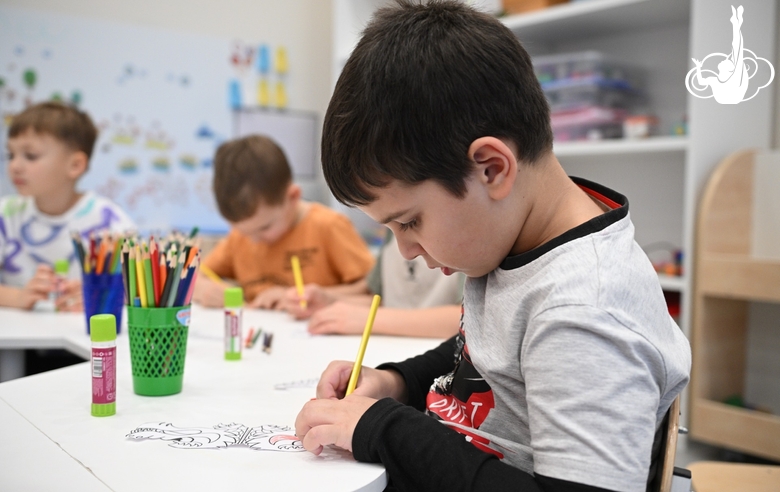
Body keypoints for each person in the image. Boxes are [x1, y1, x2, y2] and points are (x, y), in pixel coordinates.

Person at [294, 2, 691, 491]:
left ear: (491, 169)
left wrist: (386, 430)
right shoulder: (517, 239)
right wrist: (398, 382)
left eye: (410, 221)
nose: (406, 251)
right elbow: (482, 356)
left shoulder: (584, 311)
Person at [194, 134, 375, 309]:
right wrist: (203, 289)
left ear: (293, 197)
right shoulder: (241, 237)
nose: (254, 240)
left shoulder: (329, 226)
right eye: (243, 231)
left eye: (265, 227)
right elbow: (193, 276)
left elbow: (372, 291)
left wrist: (311, 295)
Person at [1, 101, 135, 311]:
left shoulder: (110, 221)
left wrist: (101, 296)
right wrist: (18, 297)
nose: (14, 166)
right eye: (11, 155)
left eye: (30, 156)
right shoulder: (5, 215)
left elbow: (143, 290)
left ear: (75, 165)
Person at [283, 230, 464, 338]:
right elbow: (380, 297)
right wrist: (328, 301)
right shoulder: (391, 232)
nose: (406, 252)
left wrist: (369, 319)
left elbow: (465, 318)